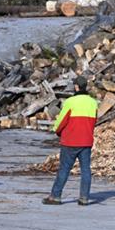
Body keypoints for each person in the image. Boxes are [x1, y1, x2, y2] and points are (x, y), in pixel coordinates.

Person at [42, 75, 98, 206]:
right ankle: (84, 198)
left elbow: (61, 121)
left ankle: (55, 196)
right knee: (86, 170)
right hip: (86, 141)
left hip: (70, 141)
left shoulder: (70, 102)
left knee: (64, 169)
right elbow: (94, 121)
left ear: (77, 87)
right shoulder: (93, 102)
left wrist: (57, 131)